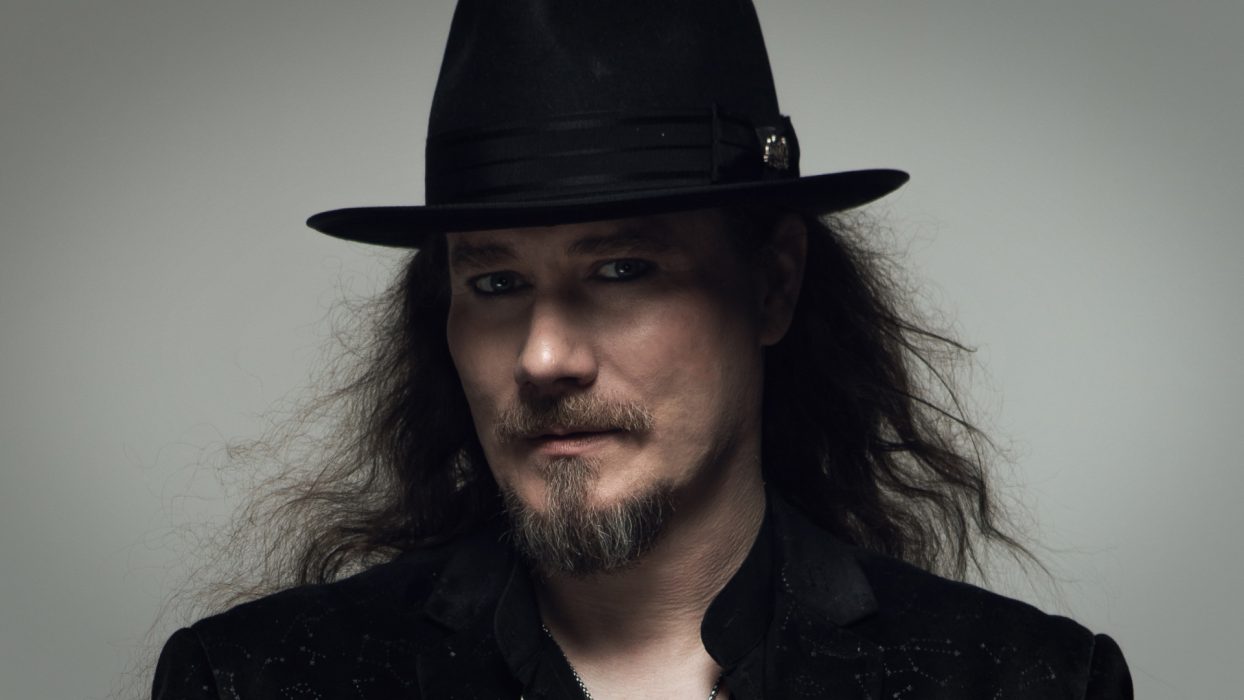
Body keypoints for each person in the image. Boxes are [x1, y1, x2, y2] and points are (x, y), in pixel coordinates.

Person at [151, 1, 1132, 698]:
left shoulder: (1024, 683)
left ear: (773, 284)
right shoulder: (255, 681)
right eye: (494, 283)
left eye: (622, 269)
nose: (543, 358)